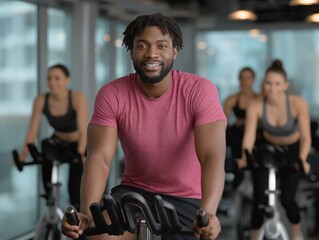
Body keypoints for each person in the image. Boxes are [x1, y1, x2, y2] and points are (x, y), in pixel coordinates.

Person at [61, 13, 227, 240]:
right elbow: (99, 156)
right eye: (142, 45)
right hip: (134, 193)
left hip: (188, 198)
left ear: (174, 51)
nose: (151, 53)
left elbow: (212, 157)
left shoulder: (200, 91)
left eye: (161, 46)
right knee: (98, 235)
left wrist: (208, 212)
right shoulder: (112, 94)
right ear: (131, 51)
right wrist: (88, 213)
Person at [238, 59, 311, 240]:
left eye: (277, 84)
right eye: (268, 83)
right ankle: (254, 237)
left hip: (292, 152)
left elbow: (306, 137)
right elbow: (249, 136)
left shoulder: (297, 103)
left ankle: (296, 234)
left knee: (287, 199)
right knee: (259, 200)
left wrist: (302, 159)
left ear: (285, 85)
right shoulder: (256, 104)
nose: (272, 88)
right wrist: (244, 156)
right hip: (267, 151)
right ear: (263, 84)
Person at [19, 64, 88, 210]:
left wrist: (80, 154)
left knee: (75, 193)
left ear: (67, 80)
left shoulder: (77, 97)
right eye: (49, 78)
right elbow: (32, 132)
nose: (52, 82)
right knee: (46, 148)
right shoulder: (41, 100)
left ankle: (78, 221)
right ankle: (50, 199)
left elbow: (83, 131)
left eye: (57, 78)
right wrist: (23, 156)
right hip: (58, 142)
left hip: (79, 144)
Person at [223, 67, 257, 187]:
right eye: (242, 78)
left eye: (248, 78)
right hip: (237, 137)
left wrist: (246, 121)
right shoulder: (232, 99)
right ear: (239, 79)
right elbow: (222, 121)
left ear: (253, 79)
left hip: (255, 137)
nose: (245, 81)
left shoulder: (259, 99)